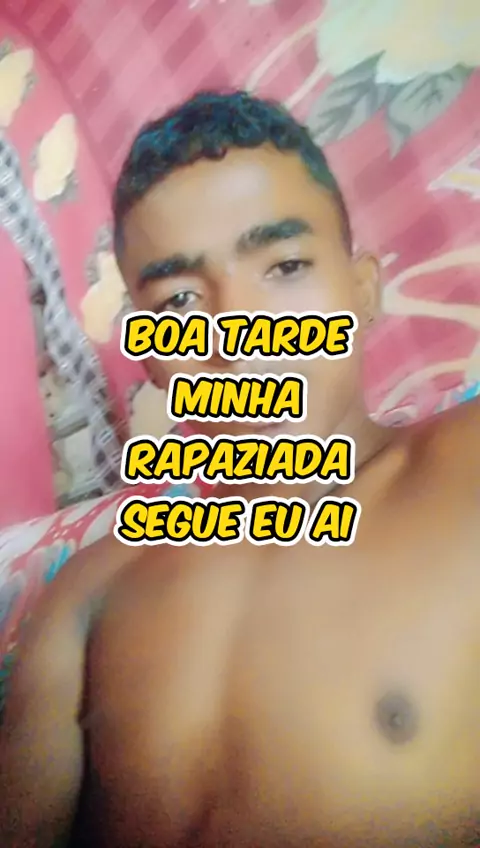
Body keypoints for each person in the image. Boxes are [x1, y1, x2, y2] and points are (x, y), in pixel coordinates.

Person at [1, 90, 479, 848]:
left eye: (284, 265)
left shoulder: (467, 468)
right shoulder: (90, 589)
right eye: (179, 300)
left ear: (362, 292)